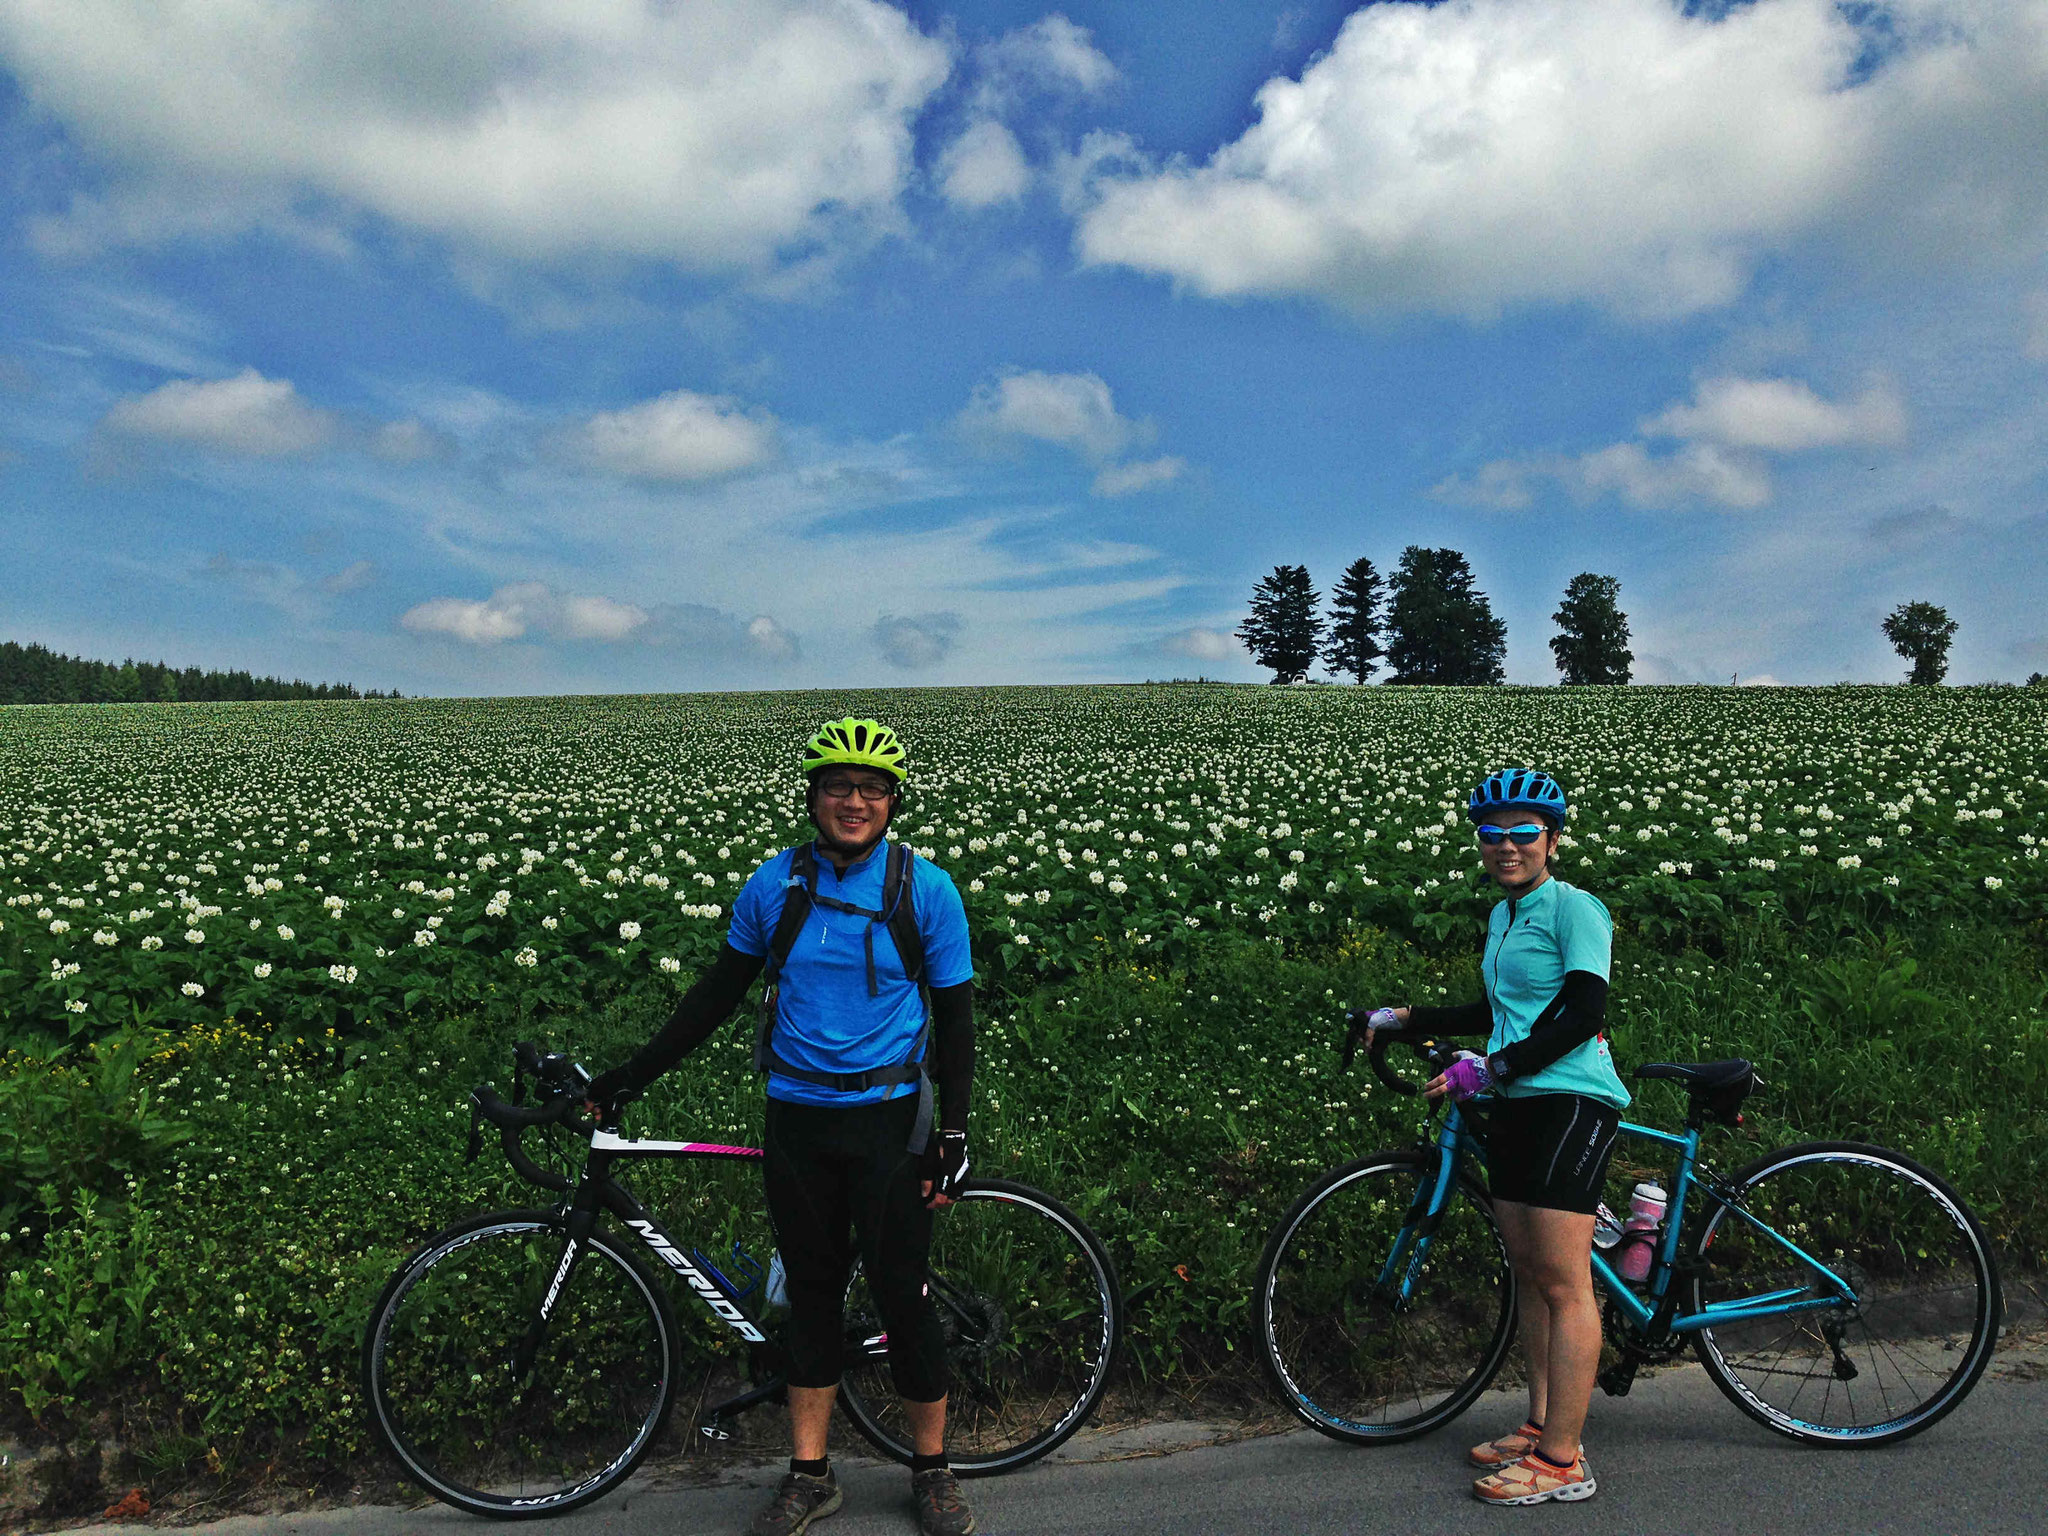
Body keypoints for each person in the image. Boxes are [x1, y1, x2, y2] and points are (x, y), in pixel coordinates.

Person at [587, 718, 979, 1536]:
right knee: (809, 1301)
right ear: (812, 796)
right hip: (798, 1119)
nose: (855, 801)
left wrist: (955, 1136)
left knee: (903, 1302)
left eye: (873, 789)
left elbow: (957, 1019)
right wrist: (630, 1075)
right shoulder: (774, 886)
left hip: (890, 1122)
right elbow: (715, 994)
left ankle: (933, 1471)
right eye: (838, 786)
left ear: (893, 803)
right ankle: (809, 1474)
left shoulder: (927, 890)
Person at [1361, 767, 1626, 1508]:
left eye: (1522, 833)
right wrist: (1404, 1018)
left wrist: (1497, 1066)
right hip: (1514, 1101)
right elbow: (1496, 1006)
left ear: (1552, 840)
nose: (1505, 846)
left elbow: (1580, 1014)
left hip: (1571, 1100)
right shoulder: (1504, 916)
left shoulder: (1576, 908)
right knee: (1529, 1271)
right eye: (1491, 834)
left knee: (1565, 1280)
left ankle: (1564, 1463)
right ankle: (1542, 1424)